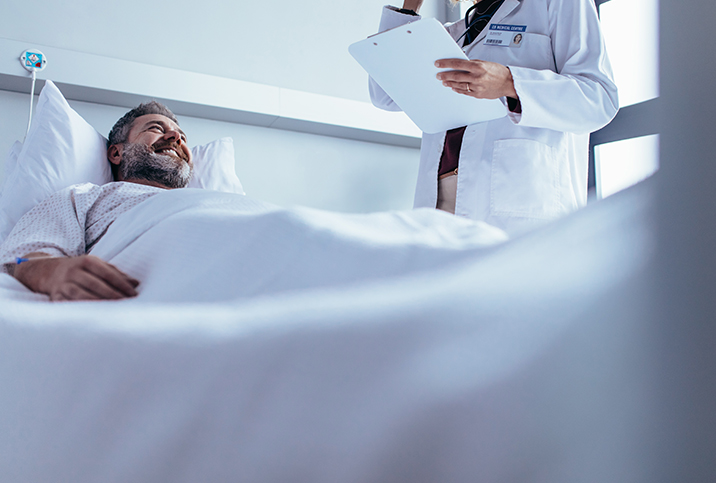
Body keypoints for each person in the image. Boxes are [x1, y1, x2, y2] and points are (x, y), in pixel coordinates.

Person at [369, 0, 619, 235]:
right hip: (439, 203)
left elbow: (598, 99)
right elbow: (385, 95)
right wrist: (409, 9)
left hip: (518, 201)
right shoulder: (454, 32)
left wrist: (510, 83)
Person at [0, 102, 193, 301]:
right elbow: (17, 260)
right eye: (156, 128)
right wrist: (51, 271)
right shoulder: (83, 197)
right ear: (116, 153)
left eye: (183, 137)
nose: (176, 138)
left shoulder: (211, 198)